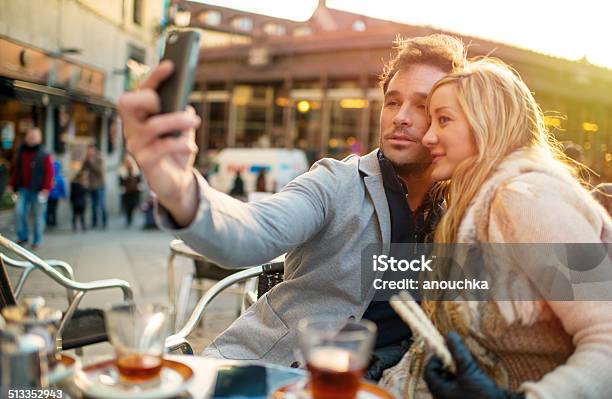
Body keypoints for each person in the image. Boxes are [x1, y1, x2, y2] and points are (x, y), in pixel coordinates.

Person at [119, 34, 466, 371]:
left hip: (384, 388)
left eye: (421, 106)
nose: (400, 116)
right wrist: (179, 189)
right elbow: (250, 232)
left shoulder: (463, 207)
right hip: (272, 377)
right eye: (392, 101)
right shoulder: (336, 183)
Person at [381, 58, 612, 399]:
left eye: (443, 120)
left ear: (489, 123)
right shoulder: (480, 203)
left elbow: (607, 333)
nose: (428, 136)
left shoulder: (526, 199)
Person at [7, 127, 53, 249]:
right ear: (26, 137)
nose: (32, 139)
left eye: (34, 136)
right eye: (30, 136)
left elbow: (49, 173)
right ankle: (23, 237)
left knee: (38, 216)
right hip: (24, 188)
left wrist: (46, 189)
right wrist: (11, 184)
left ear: (39, 138)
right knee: (19, 211)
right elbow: (16, 170)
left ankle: (37, 240)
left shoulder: (44, 154)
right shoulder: (21, 152)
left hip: (39, 190)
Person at [81, 144, 107, 228]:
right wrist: (85, 161)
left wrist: (91, 162)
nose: (89, 152)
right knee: (93, 205)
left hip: (100, 185)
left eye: (90, 150)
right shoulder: (87, 159)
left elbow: (99, 171)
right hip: (91, 185)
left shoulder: (99, 158)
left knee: (101, 204)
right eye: (88, 150)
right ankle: (94, 222)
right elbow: (83, 169)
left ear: (94, 150)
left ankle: (104, 222)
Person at [118, 155, 142, 227]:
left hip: (134, 190)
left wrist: (139, 185)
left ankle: (130, 218)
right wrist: (121, 187)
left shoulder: (135, 169)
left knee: (132, 205)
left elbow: (139, 179)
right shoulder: (122, 170)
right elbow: (120, 181)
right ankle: (128, 219)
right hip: (126, 191)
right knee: (127, 205)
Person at [46, 159, 66, 227]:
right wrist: (63, 195)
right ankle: (54, 221)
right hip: (56, 197)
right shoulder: (59, 177)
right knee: (54, 209)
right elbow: (62, 187)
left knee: (48, 209)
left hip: (48, 195)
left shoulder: (49, 176)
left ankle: (48, 221)